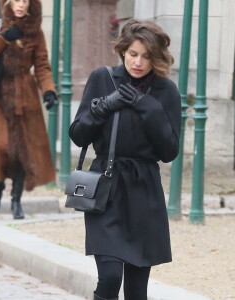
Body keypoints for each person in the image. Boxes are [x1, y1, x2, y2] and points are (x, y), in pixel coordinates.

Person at [69, 19, 181, 300]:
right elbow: (78, 134)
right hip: (106, 188)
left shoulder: (166, 92)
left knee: (136, 290)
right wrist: (105, 105)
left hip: (144, 191)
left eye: (146, 56)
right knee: (109, 278)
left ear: (156, 57)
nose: (138, 62)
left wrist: (148, 107)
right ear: (123, 52)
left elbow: (169, 151)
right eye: (133, 54)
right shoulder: (102, 78)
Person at [0, 0, 57, 219]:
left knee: (24, 151)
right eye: (16, 0)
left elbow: (42, 64)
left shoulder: (35, 31)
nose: (21, 5)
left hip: (26, 97)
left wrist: (49, 91)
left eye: (25, 0)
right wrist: (3, 39)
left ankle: (16, 200)